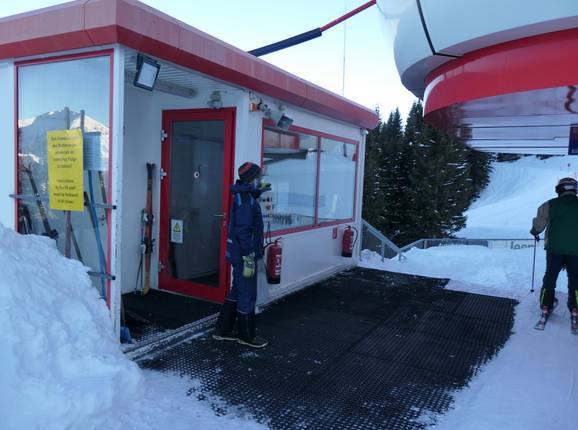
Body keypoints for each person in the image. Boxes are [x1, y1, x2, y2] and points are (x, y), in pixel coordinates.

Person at [212, 162, 270, 348]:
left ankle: (222, 330)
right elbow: (243, 230)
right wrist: (248, 255)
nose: (260, 179)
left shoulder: (245, 196)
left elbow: (247, 203)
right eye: (258, 177)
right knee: (247, 293)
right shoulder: (245, 200)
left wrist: (258, 192)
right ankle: (246, 335)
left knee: (238, 289)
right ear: (251, 179)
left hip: (239, 253)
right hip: (245, 254)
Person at [530, 177, 578, 323]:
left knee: (550, 276)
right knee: (575, 277)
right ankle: (575, 308)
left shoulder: (549, 204)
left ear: (559, 189)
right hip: (576, 250)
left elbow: (539, 225)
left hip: (554, 249)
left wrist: (534, 232)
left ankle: (546, 306)